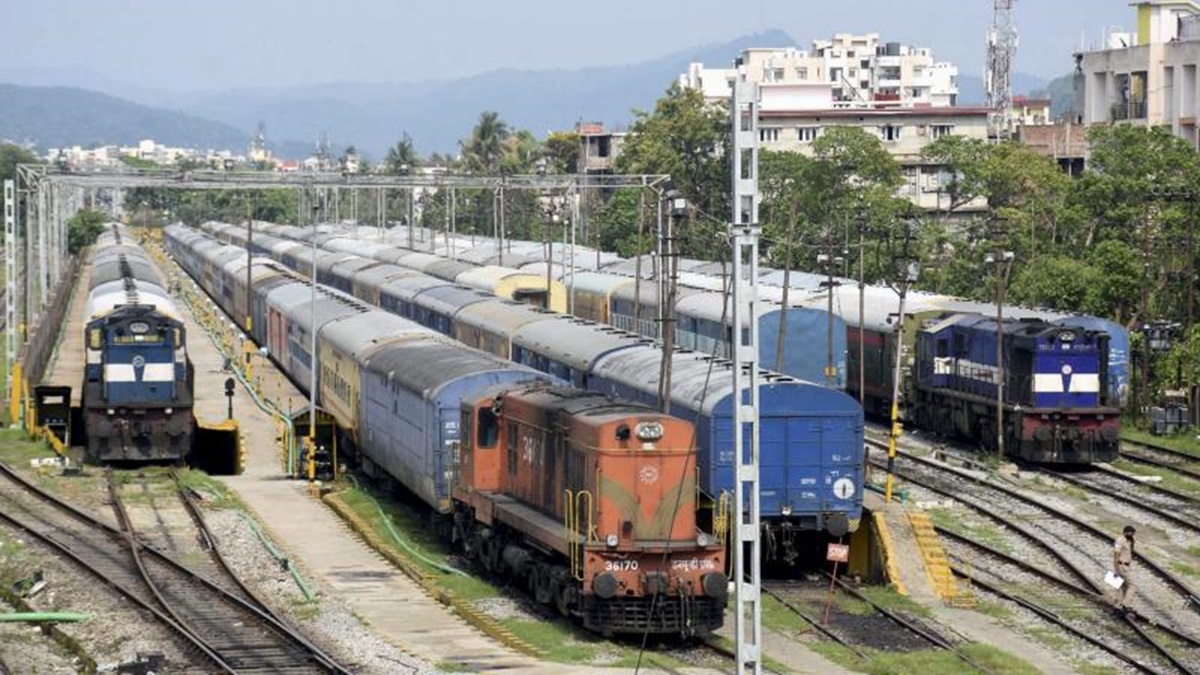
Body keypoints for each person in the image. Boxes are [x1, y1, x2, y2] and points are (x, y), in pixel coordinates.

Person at [1112, 525, 1136, 610]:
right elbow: (1116, 555)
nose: (1131, 534)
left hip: (1126, 566)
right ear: (1125, 532)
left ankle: (1118, 605)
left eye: (1132, 533)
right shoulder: (1120, 540)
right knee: (1131, 585)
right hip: (1121, 566)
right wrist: (1115, 569)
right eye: (1130, 532)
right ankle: (1126, 605)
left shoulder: (1129, 540)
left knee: (1121, 585)